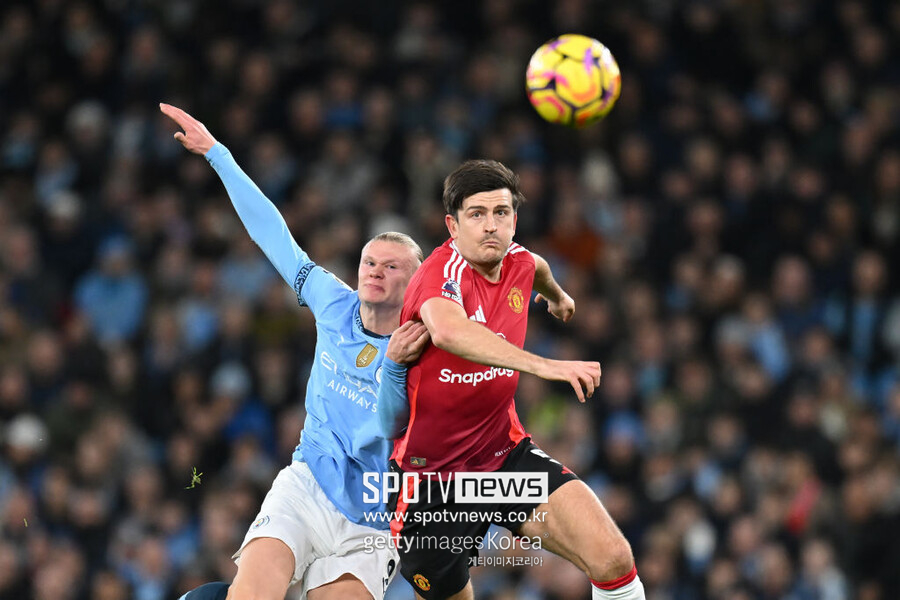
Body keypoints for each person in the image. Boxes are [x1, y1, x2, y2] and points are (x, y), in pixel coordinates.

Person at [159, 103, 429, 600]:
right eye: (369, 261)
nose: (375, 270)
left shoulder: (426, 350)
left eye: (392, 266)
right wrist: (217, 154)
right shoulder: (332, 301)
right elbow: (274, 236)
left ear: (416, 285)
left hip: (374, 521)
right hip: (307, 487)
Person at [382, 160, 645, 600]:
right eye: (476, 214)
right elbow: (449, 331)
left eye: (501, 213)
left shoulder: (518, 261)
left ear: (514, 220)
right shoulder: (440, 274)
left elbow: (536, 265)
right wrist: (544, 365)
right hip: (430, 484)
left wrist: (558, 297)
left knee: (614, 558)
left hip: (504, 458)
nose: (491, 226)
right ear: (452, 226)